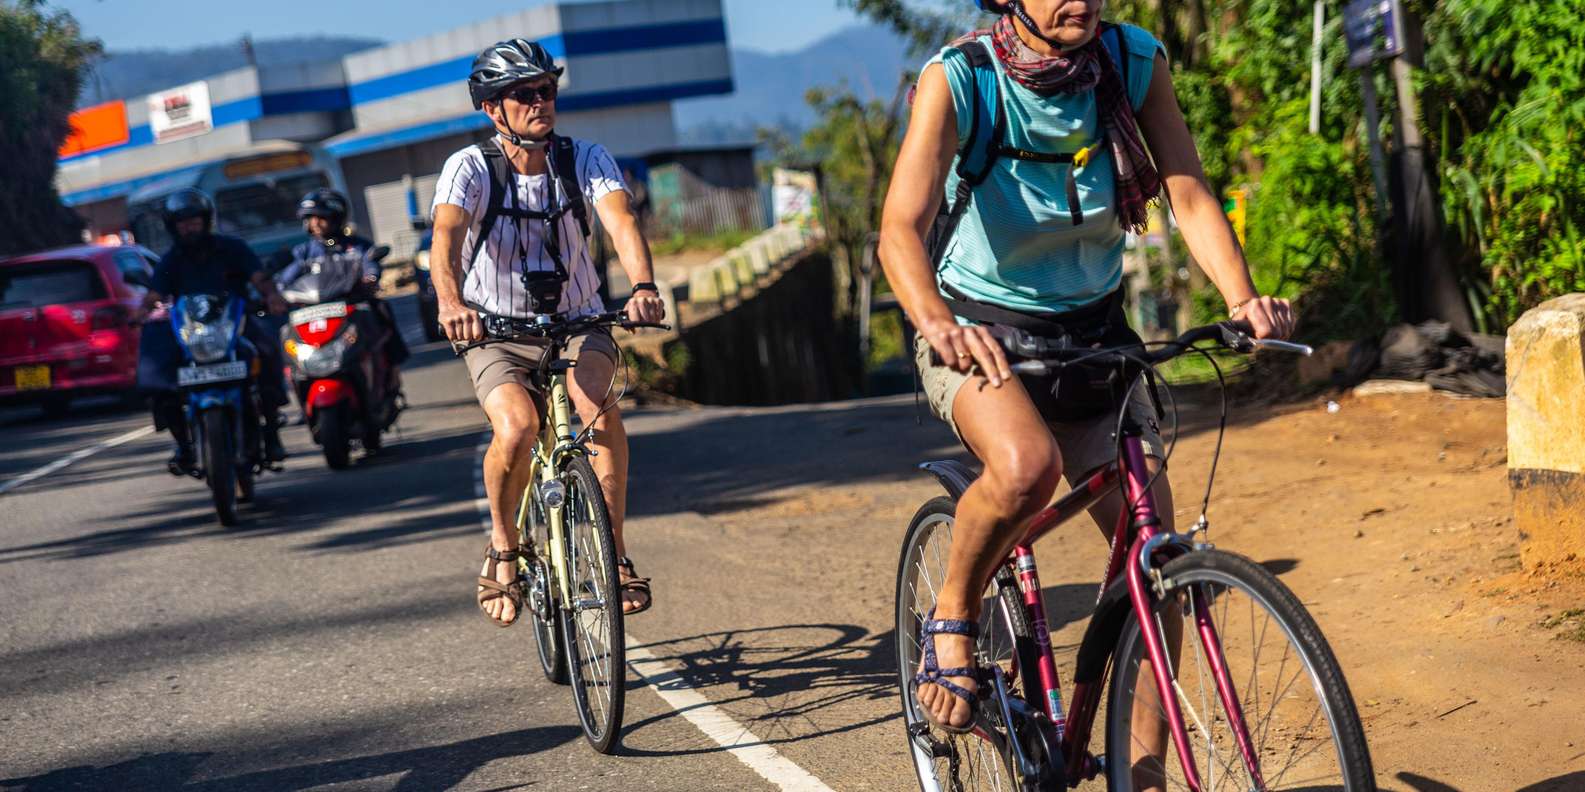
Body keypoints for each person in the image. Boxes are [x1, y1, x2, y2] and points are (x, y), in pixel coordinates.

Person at [878, 0, 1296, 780]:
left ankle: (1145, 774)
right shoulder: (961, 78)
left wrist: (1242, 300)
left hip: (1094, 336)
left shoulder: (1132, 61)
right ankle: (955, 611)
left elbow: (1188, 193)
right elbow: (899, 227)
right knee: (1025, 468)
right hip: (978, 330)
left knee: (1154, 563)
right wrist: (936, 323)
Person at [428, 38, 667, 627]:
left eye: (547, 89)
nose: (541, 102)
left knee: (597, 409)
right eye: (524, 94)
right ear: (492, 108)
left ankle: (613, 556)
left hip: (578, 320)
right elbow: (446, 239)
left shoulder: (585, 158)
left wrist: (643, 287)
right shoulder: (469, 168)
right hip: (495, 328)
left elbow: (620, 221)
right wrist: (451, 303)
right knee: (517, 427)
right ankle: (504, 546)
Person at [136, 188, 292, 468]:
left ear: (206, 220)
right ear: (173, 226)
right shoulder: (171, 259)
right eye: (182, 222)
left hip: (236, 324)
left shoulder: (233, 248)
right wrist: (139, 313)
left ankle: (271, 431)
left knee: (267, 351)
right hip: (190, 332)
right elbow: (155, 293)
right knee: (156, 372)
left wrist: (272, 296)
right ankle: (183, 445)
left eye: (194, 220)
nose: (189, 226)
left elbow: (259, 278)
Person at [276, 188, 410, 368]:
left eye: (321, 217)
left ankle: (390, 366)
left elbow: (369, 264)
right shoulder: (304, 252)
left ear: (336, 217)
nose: (315, 223)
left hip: (351, 305)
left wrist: (370, 278)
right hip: (314, 311)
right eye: (310, 218)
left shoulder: (358, 246)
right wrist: (276, 293)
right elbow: (286, 279)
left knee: (381, 310)